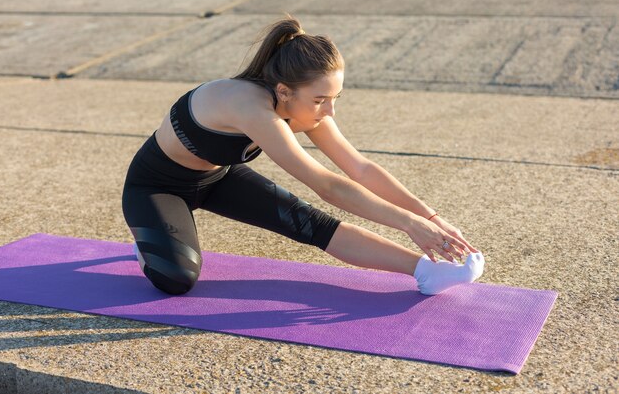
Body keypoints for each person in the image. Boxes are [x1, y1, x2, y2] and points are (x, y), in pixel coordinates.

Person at [121, 15, 484, 297]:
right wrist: (409, 223)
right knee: (176, 279)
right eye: (320, 100)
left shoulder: (299, 105)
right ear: (283, 90)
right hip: (157, 187)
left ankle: (427, 272)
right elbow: (328, 185)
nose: (329, 111)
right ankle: (149, 244)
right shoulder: (249, 106)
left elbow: (360, 168)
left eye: (334, 98)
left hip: (219, 179)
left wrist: (430, 217)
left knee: (309, 223)